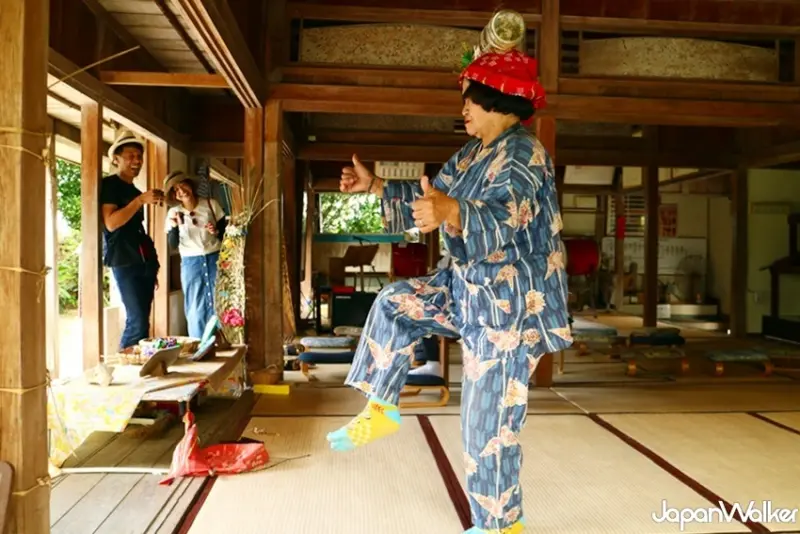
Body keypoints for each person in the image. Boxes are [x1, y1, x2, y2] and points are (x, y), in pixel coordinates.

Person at [324, 48, 572, 533]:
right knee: (394, 303)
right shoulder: (472, 153)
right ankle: (382, 407)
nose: (464, 109)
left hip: (511, 310)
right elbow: (433, 196)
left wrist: (453, 212)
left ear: (498, 100)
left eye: (470, 100)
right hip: (466, 289)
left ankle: (499, 526)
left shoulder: (526, 154)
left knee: (486, 424)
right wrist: (375, 186)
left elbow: (507, 216)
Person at [100, 129, 163, 349]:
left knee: (143, 322)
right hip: (123, 260)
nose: (137, 161)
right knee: (136, 321)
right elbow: (111, 223)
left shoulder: (134, 190)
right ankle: (124, 364)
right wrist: (139, 201)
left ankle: (139, 364)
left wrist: (151, 266)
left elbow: (137, 229)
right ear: (116, 159)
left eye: (139, 156)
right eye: (131, 156)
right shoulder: (109, 185)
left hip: (144, 261)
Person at [162, 171, 227, 338]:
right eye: (176, 190)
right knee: (195, 305)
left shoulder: (211, 205)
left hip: (214, 258)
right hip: (191, 263)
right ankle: (199, 343)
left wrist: (215, 231)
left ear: (190, 184)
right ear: (174, 195)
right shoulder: (173, 213)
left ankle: (223, 341)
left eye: (183, 185)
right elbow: (173, 244)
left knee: (221, 300)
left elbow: (226, 236)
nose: (181, 191)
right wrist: (175, 226)